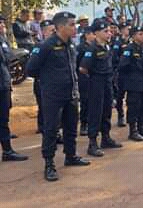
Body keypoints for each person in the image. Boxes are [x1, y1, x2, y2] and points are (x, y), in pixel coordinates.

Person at [26, 11, 90, 181]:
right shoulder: (46, 45)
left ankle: (71, 156)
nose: (75, 28)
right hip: (53, 95)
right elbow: (31, 69)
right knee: (51, 129)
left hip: (71, 93)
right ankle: (49, 164)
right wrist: (49, 81)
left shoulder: (70, 45)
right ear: (60, 27)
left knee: (70, 126)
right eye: (71, 24)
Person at [79, 19, 123, 157]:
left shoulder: (107, 46)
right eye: (106, 31)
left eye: (109, 31)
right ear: (96, 33)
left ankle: (106, 138)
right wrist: (95, 77)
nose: (109, 33)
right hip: (96, 83)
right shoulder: (91, 48)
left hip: (107, 82)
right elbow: (83, 68)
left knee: (106, 111)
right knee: (95, 112)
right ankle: (92, 143)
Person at [119, 26, 143, 142]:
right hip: (133, 83)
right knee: (133, 106)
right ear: (133, 36)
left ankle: (141, 127)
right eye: (140, 34)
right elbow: (123, 66)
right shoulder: (129, 49)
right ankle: (133, 131)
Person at [0, 15, 28, 162]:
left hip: (4, 83)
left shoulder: (3, 40)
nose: (3, 27)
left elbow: (9, 57)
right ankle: (7, 151)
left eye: (4, 24)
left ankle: (7, 150)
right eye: (1, 24)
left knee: (4, 118)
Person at [76, 27, 95, 136]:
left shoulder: (95, 47)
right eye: (93, 34)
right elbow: (77, 63)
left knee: (93, 101)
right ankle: (84, 124)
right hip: (83, 77)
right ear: (87, 35)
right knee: (85, 101)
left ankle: (91, 123)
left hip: (93, 78)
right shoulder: (81, 48)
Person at [112, 22, 131, 127]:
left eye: (128, 28)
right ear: (121, 30)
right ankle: (120, 115)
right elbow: (114, 58)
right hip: (121, 73)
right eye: (125, 29)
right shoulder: (117, 43)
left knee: (132, 96)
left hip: (131, 73)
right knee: (120, 95)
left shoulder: (132, 42)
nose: (127, 30)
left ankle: (131, 116)